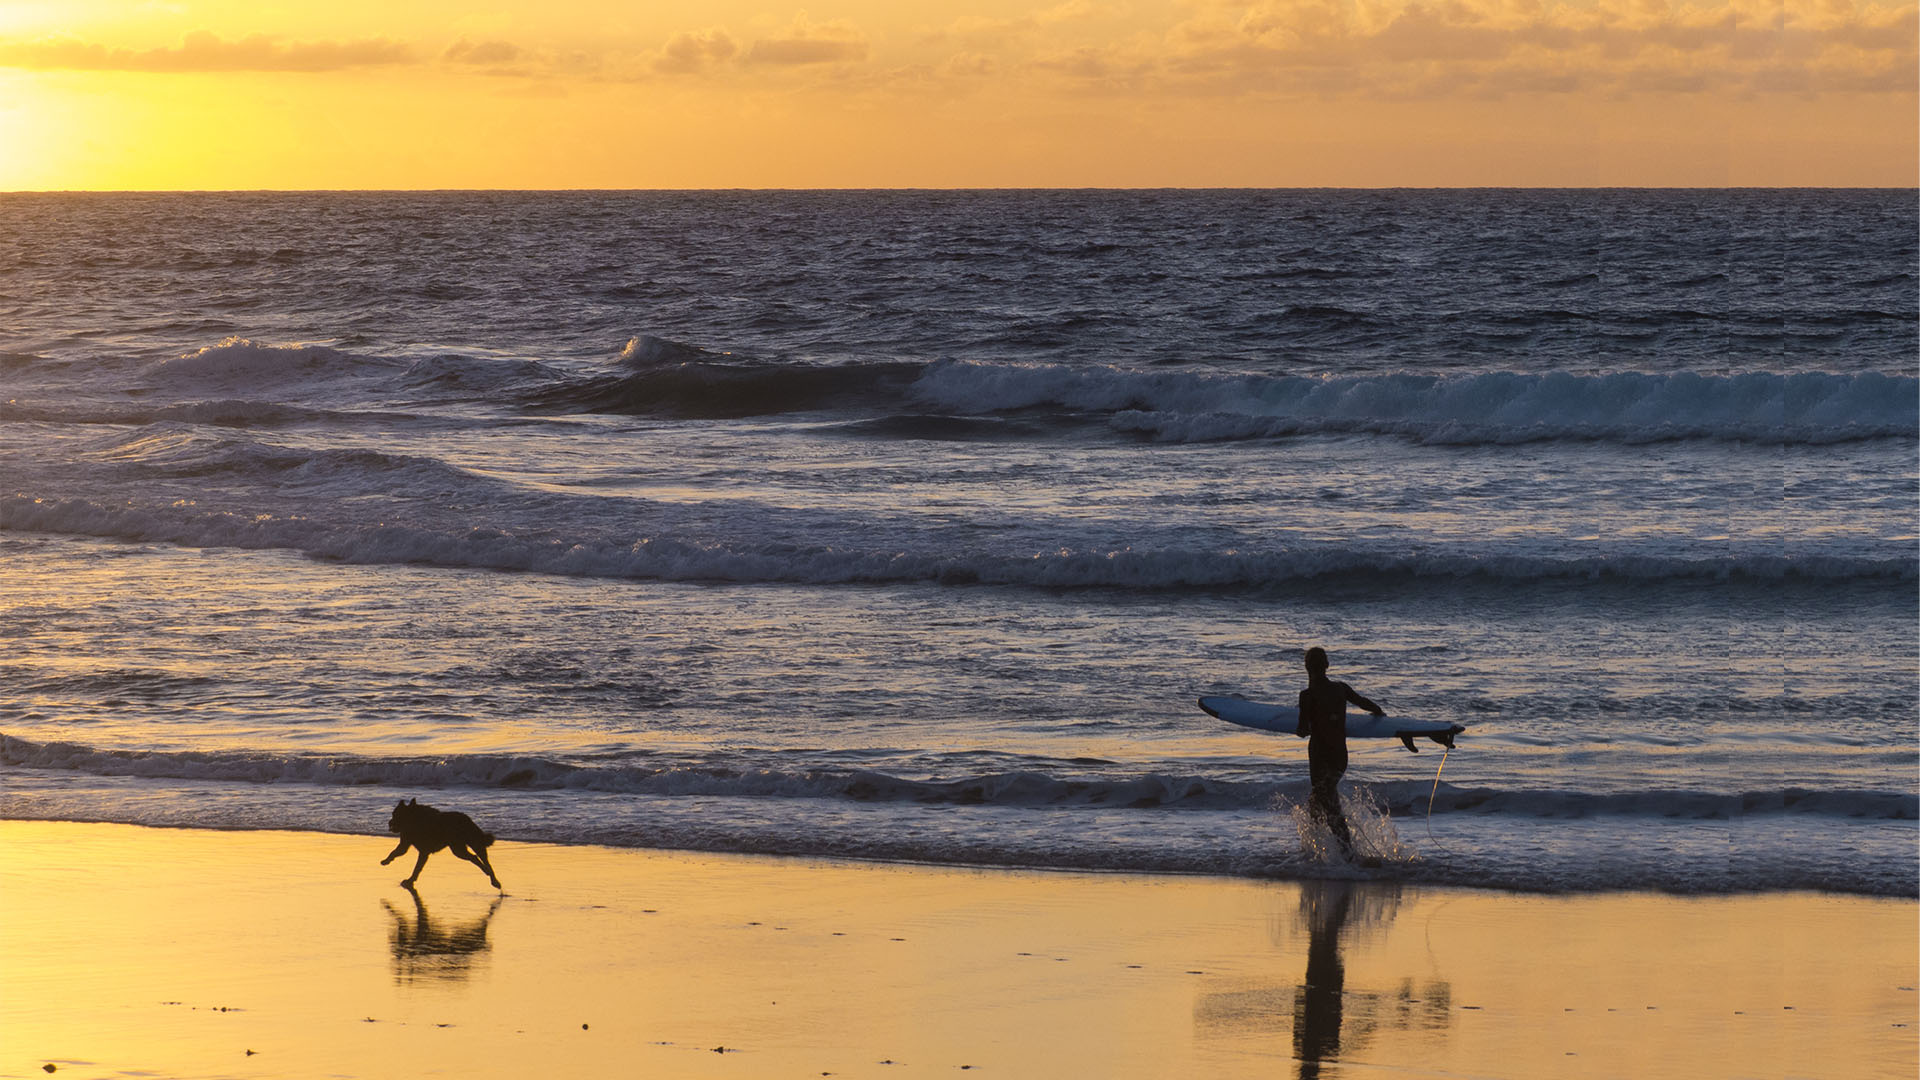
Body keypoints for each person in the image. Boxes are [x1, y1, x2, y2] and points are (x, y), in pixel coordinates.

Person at [1295, 646, 1384, 858]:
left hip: (1319, 756)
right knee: (1318, 802)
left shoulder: (1307, 695)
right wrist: (1380, 714)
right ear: (1327, 665)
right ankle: (1321, 854)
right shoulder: (1341, 689)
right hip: (1338, 757)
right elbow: (1366, 704)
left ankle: (1345, 856)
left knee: (1327, 804)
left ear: (1306, 667)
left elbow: (1302, 731)